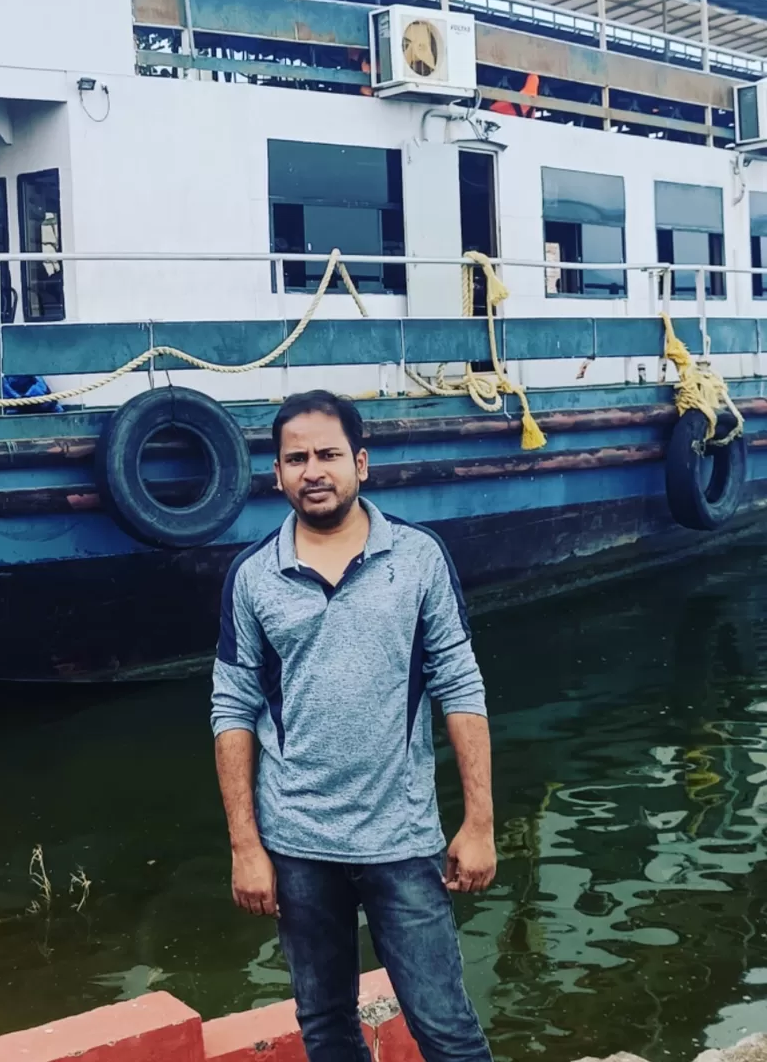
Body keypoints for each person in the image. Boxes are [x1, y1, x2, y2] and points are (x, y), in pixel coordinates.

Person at [211, 390, 494, 1062]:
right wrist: (246, 846)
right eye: (296, 458)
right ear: (276, 474)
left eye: (329, 454)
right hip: (298, 844)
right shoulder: (253, 577)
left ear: (360, 464)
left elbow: (459, 684)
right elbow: (232, 708)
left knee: (446, 1030)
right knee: (328, 1031)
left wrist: (479, 824)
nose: (313, 469)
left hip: (401, 839)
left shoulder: (419, 558)